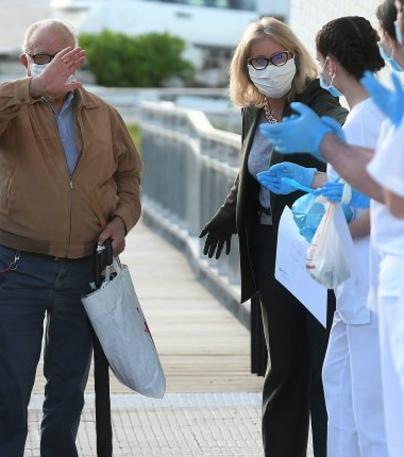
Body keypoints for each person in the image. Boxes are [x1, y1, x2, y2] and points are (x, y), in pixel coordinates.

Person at [0, 19, 142, 457]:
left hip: (85, 267)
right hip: (18, 266)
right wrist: (36, 85)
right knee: (10, 385)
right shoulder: (9, 109)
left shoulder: (104, 114)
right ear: (25, 61)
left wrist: (121, 221)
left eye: (60, 56)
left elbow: (129, 177)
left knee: (67, 389)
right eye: (39, 58)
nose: (50, 67)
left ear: (77, 57)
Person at [259, 2, 404, 455]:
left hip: (366, 281)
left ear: (331, 63)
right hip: (356, 286)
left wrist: (328, 221)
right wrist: (313, 181)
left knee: (370, 410)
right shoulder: (369, 115)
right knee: (338, 389)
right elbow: (359, 183)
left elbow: (375, 201)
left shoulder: (365, 119)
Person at [199, 17, 347, 457]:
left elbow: (345, 154)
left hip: (314, 252)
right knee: (282, 367)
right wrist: (228, 215)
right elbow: (252, 176)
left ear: (295, 56)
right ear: (245, 69)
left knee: (321, 367)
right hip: (268, 254)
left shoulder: (320, 104)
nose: (269, 67)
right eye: (258, 61)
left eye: (277, 57)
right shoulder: (255, 112)